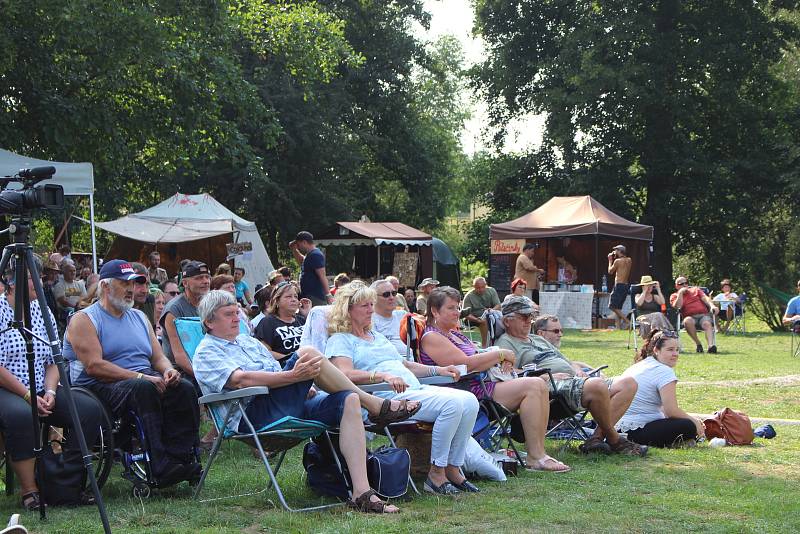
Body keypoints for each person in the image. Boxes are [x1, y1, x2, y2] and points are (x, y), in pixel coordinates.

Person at [193, 290, 425, 513]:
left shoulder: (249, 342)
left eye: (236, 312)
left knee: (349, 399)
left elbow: (277, 372)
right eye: (228, 314)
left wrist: (304, 387)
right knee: (308, 352)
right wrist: (293, 377)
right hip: (252, 416)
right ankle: (375, 405)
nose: (237, 318)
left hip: (285, 404)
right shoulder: (206, 352)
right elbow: (241, 380)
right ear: (209, 322)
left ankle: (361, 493)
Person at [327, 281, 481, 495]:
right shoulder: (341, 339)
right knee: (453, 404)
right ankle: (436, 475)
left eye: (372, 304)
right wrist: (381, 375)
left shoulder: (376, 336)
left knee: (470, 401)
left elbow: (405, 365)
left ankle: (453, 468)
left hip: (413, 389)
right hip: (386, 399)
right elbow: (343, 374)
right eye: (365, 306)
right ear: (348, 309)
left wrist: (439, 370)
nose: (371, 310)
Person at [63, 259, 201, 486]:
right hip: (100, 384)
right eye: (124, 283)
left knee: (183, 387)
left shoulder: (139, 317)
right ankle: (159, 466)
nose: (131, 289)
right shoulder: (84, 319)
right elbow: (94, 366)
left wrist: (168, 371)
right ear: (105, 286)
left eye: (133, 283)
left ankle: (181, 459)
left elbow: (157, 358)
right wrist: (140, 377)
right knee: (144, 388)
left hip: (143, 378)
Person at [420, 289, 571, 472]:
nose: (457, 312)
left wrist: (497, 357)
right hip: (465, 391)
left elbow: (478, 355)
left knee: (538, 384)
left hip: (482, 385)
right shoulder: (432, 337)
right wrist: (500, 354)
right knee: (534, 385)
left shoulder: (454, 334)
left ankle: (539, 453)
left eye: (458, 307)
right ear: (435, 311)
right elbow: (466, 365)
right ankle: (536, 456)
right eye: (451, 308)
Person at [0, 256, 102, 511]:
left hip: (43, 387)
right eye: (32, 276)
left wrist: (50, 391)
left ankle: (65, 484)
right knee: (23, 415)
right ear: (12, 281)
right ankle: (30, 490)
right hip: (7, 388)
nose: (40, 281)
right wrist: (27, 395)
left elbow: (54, 360)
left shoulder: (41, 310)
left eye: (40, 276)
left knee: (88, 410)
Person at [495, 310, 646, 456]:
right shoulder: (505, 343)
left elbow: (566, 360)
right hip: (550, 387)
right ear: (508, 321)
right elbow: (508, 373)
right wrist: (544, 376)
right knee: (597, 385)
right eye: (523, 316)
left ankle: (596, 438)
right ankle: (614, 439)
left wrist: (577, 369)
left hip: (575, 381)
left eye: (530, 316)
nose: (529, 320)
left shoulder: (538, 339)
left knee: (628, 383)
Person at [618, 330, 704, 447]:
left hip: (617, 426)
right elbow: (671, 411)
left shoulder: (641, 364)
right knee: (688, 426)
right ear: (656, 350)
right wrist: (694, 422)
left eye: (677, 349)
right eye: (670, 350)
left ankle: (678, 442)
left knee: (685, 422)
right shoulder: (664, 371)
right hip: (635, 431)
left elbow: (664, 410)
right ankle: (676, 442)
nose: (675, 354)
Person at [160, 261, 211, 376]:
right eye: (199, 278)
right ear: (185, 283)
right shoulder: (174, 309)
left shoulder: (210, 304)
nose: (206, 281)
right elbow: (180, 358)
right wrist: (207, 378)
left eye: (207, 277)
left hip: (208, 364)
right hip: (182, 371)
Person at [254, 282, 310, 363]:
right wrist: (293, 359)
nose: (294, 299)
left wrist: (308, 315)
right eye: (288, 296)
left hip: (308, 362)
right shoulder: (267, 322)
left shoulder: (302, 320)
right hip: (286, 367)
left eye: (296, 296)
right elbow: (264, 352)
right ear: (277, 301)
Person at [670, 276, 718, 353]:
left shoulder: (696, 290)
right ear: (676, 286)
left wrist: (712, 306)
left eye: (686, 283)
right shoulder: (674, 296)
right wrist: (680, 293)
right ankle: (698, 344)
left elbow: (706, 298)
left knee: (707, 323)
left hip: (703, 315)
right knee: (687, 321)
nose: (685, 285)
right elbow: (678, 306)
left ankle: (711, 346)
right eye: (681, 284)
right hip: (690, 317)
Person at [291, 231, 331, 306]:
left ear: (304, 242)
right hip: (309, 295)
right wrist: (293, 249)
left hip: (315, 296)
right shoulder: (309, 255)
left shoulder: (316, 255)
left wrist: (328, 295)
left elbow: (322, 276)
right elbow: (301, 262)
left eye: (299, 245)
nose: (298, 248)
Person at [370, 279, 409, 357]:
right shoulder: (369, 321)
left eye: (394, 293)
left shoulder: (403, 315)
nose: (391, 297)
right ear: (373, 298)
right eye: (386, 294)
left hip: (414, 364)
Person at [462, 277, 501, 348]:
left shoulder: (491, 291)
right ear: (473, 287)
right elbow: (465, 314)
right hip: (473, 319)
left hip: (490, 315)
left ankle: (498, 342)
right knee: (484, 321)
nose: (481, 290)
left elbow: (498, 305)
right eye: (478, 288)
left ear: (486, 285)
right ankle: (485, 346)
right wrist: (476, 319)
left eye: (483, 287)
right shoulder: (469, 296)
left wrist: (492, 309)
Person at [608, 244, 632, 329]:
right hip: (626, 285)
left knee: (612, 306)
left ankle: (628, 322)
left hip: (619, 285)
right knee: (618, 308)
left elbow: (610, 271)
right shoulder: (629, 260)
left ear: (620, 251)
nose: (615, 252)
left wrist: (610, 260)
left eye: (616, 250)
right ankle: (618, 327)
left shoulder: (617, 261)